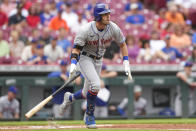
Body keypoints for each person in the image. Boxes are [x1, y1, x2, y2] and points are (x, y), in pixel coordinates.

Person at [59, 3, 132, 129]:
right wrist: (73, 63)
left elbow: (122, 44)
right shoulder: (85, 29)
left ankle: (70, 98)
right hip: (85, 58)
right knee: (96, 85)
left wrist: (126, 61)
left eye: (108, 13)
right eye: (105, 14)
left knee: (86, 92)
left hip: (99, 60)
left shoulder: (113, 27)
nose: (108, 16)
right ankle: (89, 115)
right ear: (98, 16)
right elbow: (76, 49)